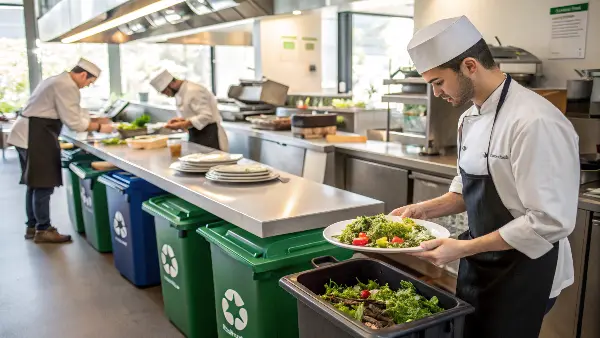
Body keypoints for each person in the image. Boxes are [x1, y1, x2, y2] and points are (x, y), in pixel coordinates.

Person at [391, 16, 579, 338]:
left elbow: (548, 221)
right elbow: (466, 190)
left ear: (469, 66)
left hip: (526, 270)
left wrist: (461, 248)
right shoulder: (468, 118)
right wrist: (422, 211)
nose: (436, 93)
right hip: (481, 263)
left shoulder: (535, 122)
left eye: (438, 82)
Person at [8, 58, 114, 243]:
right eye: (89, 82)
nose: (87, 86)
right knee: (42, 183)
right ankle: (43, 229)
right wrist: (98, 127)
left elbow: (73, 110)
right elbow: (73, 121)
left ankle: (32, 226)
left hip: (29, 133)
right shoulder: (67, 86)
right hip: (35, 135)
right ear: (82, 74)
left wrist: (94, 118)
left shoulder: (58, 80)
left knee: (33, 183)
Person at [149, 70, 229, 151]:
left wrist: (183, 124)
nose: (166, 95)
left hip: (210, 135)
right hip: (196, 135)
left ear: (172, 84)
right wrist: (180, 121)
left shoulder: (194, 90)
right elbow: (193, 114)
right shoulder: (179, 92)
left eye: (165, 91)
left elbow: (206, 116)